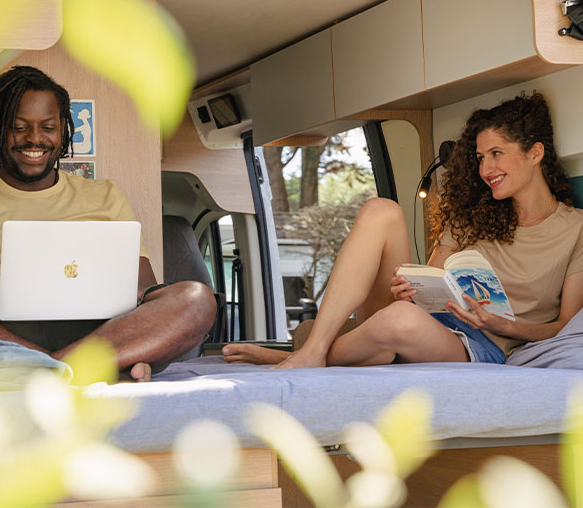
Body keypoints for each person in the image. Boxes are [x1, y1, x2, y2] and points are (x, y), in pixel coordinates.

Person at [223, 93, 583, 368]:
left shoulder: (576, 229)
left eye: (496, 154)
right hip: (433, 318)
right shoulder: (475, 215)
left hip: (487, 344)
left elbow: (565, 326)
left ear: (535, 153)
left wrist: (502, 326)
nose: (485, 168)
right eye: (479, 158)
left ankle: (298, 355)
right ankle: (314, 348)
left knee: (396, 321)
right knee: (381, 210)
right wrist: (410, 287)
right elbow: (433, 281)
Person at [0, 66, 217, 381]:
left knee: (197, 298)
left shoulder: (104, 195)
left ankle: (47, 370)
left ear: (64, 130)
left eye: (48, 127)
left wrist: (143, 334)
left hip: (103, 335)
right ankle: (77, 369)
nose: (35, 138)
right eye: (19, 127)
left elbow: (142, 289)